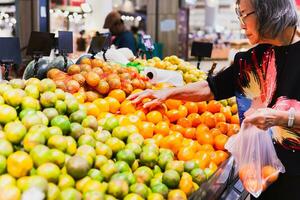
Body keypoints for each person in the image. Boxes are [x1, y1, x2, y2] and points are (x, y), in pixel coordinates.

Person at [128, 0, 300, 199]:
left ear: (268, 11)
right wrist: (167, 93)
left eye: (245, 14)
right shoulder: (252, 58)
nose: (242, 23)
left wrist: (282, 118)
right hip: (260, 174)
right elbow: (211, 87)